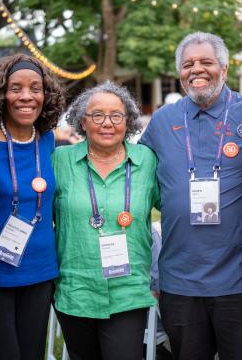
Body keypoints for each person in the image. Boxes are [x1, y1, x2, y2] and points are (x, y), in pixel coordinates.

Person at [140, 31, 242, 360]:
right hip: (180, 282)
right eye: (188, 64)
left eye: (206, 62)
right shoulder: (162, 120)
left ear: (224, 68)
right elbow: (138, 178)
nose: (196, 69)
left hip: (241, 281)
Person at [52, 81, 159, 360]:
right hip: (76, 290)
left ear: (129, 122)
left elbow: (174, 207)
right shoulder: (60, 160)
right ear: (82, 122)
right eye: (97, 115)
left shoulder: (147, 161)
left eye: (116, 116)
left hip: (129, 290)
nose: (107, 123)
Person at [0, 53, 64, 360]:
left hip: (40, 269)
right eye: (16, 88)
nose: (26, 96)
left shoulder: (48, 140)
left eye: (35, 88)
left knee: (32, 353)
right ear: (1, 93)